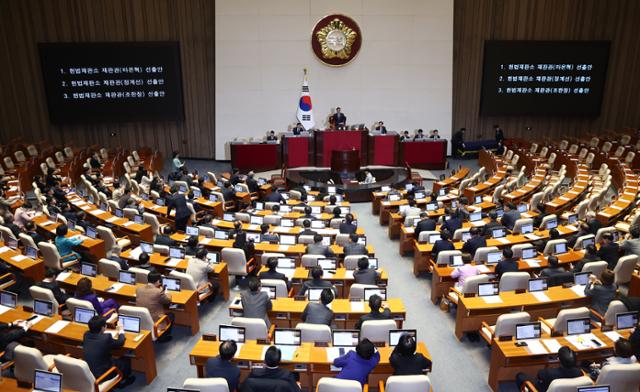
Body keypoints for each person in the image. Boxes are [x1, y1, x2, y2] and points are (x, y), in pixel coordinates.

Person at [83, 316, 135, 387]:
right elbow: (120, 342)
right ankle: (122, 381)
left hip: (90, 372)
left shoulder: (86, 335)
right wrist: (121, 331)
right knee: (125, 360)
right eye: (105, 325)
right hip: (103, 374)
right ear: (102, 328)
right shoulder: (106, 338)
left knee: (115, 358)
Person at [516, 346, 581, 392]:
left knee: (520, 376)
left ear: (559, 359)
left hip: (544, 389)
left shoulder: (549, 373)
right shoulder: (579, 372)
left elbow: (539, 374)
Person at [136, 271, 174, 341]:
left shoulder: (139, 289)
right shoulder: (158, 292)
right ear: (158, 281)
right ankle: (163, 337)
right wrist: (167, 292)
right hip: (155, 321)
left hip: (142, 319)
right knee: (171, 315)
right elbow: (168, 301)